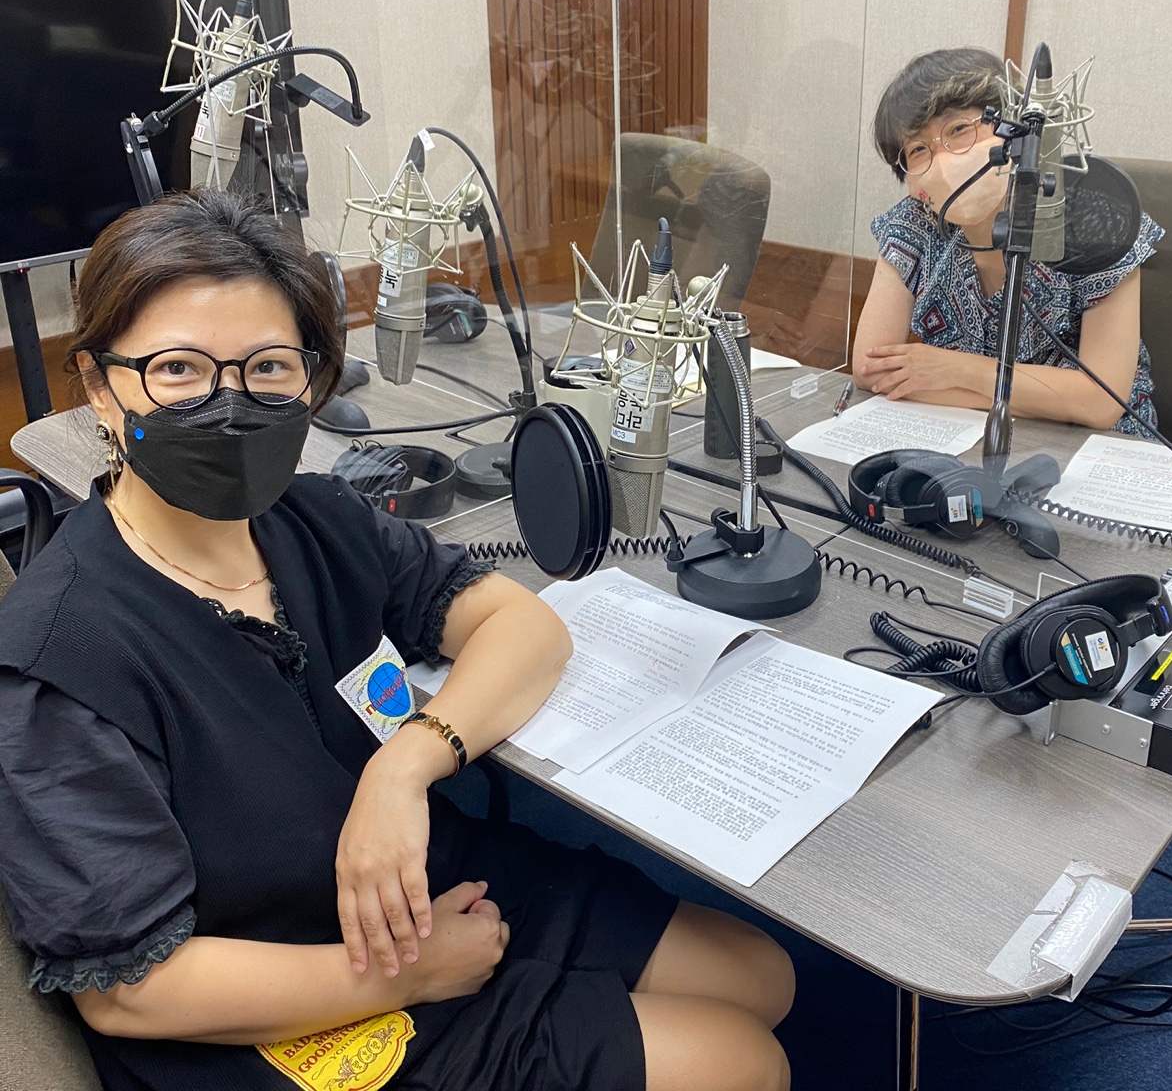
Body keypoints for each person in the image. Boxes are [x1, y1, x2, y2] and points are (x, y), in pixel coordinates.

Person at [0, 192, 793, 1091]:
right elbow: (128, 994)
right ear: (99, 386)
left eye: (268, 367)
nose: (230, 403)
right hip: (273, 991)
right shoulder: (60, 662)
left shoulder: (313, 517)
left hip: (420, 874)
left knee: (757, 973)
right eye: (178, 369)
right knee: (739, 1062)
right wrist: (403, 976)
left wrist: (403, 767)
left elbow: (522, 625)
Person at [852, 46, 1161, 434]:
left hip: (1096, 447)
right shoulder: (913, 224)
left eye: (959, 129)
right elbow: (871, 369)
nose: (944, 160)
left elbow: (1100, 402)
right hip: (964, 434)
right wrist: (1029, 397)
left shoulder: (1098, 220)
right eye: (918, 149)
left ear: (1015, 130)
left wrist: (959, 371)